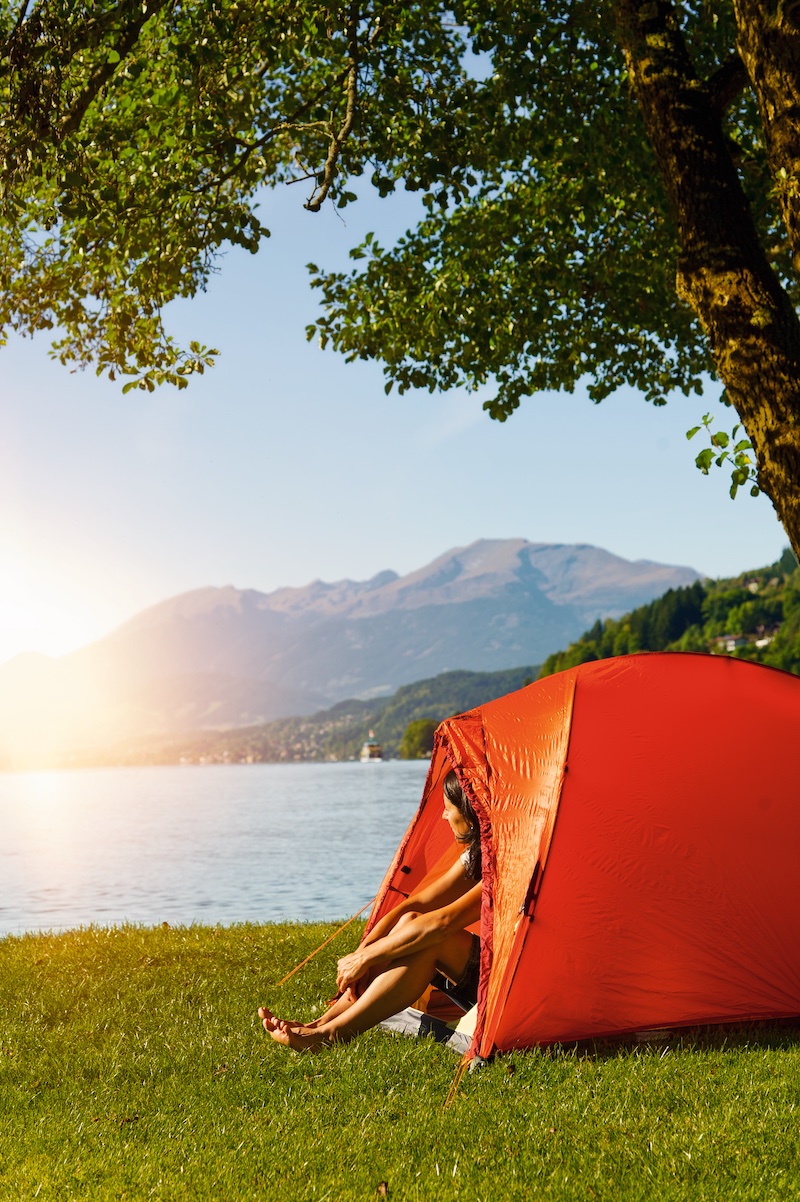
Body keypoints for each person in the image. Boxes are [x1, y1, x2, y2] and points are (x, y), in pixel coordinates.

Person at [259, 768, 483, 1050]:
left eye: (448, 808)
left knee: (432, 940)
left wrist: (368, 957)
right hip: (494, 970)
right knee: (410, 922)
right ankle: (318, 1026)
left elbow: (444, 922)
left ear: (471, 811)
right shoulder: (479, 851)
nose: (443, 815)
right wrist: (365, 950)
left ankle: (331, 1036)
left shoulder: (508, 859)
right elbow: (415, 905)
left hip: (520, 989)